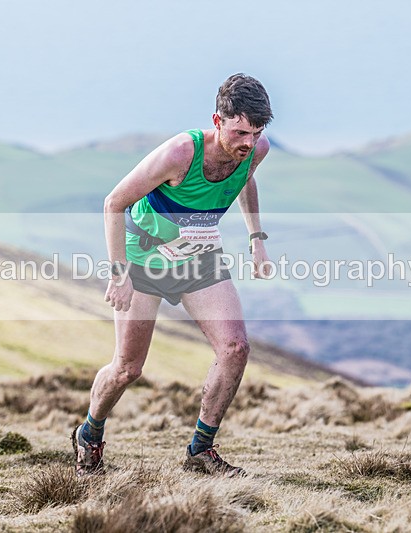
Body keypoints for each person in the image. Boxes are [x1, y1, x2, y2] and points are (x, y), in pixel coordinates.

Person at [72, 73, 273, 477]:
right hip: (144, 259)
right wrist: (118, 273)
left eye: (256, 132)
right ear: (217, 121)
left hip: (198, 257)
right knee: (128, 368)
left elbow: (246, 178)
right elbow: (114, 203)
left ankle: (201, 450)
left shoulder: (254, 150)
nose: (247, 143)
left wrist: (257, 238)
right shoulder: (181, 153)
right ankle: (89, 434)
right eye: (239, 132)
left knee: (235, 349)